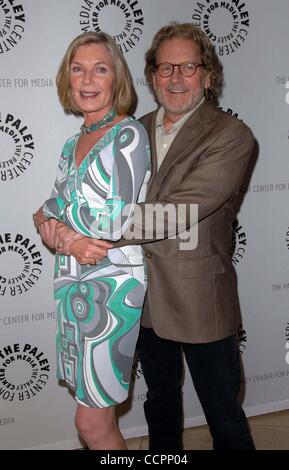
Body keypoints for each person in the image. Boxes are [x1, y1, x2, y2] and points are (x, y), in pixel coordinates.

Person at [47, 22, 256, 450]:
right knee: (159, 406)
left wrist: (76, 235)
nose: (175, 78)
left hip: (199, 299)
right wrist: (54, 222)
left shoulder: (231, 136)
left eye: (188, 67)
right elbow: (66, 197)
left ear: (209, 75)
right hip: (138, 298)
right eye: (164, 68)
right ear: (151, 76)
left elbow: (177, 212)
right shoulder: (129, 129)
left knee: (223, 415)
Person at [33, 31, 150, 450]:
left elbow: (112, 220)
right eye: (78, 68)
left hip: (112, 286)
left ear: (116, 78)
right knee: (95, 417)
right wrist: (60, 227)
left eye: (100, 69)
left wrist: (57, 224)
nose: (87, 79)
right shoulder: (70, 145)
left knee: (91, 424)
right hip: (72, 282)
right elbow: (49, 206)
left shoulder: (128, 135)